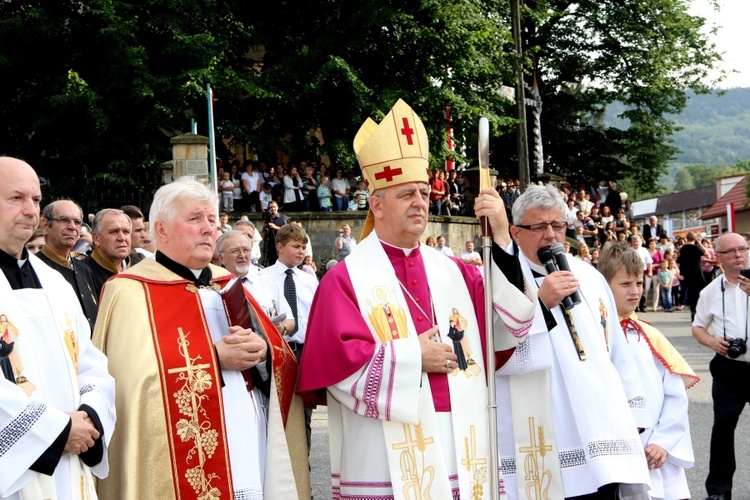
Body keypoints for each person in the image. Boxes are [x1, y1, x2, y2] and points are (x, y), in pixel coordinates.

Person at [297, 99, 536, 498]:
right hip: (386, 448)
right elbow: (337, 369)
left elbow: (510, 328)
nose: (420, 201)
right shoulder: (345, 279)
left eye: (424, 192)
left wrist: (502, 238)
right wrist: (412, 358)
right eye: (407, 193)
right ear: (376, 204)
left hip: (462, 438)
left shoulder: (457, 272)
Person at [92, 178, 309, 499]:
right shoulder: (128, 291)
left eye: (211, 219)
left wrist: (263, 352)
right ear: (161, 230)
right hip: (175, 459)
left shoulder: (227, 284)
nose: (209, 228)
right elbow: (127, 384)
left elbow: (277, 360)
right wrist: (213, 359)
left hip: (247, 447)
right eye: (195, 219)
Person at [493, 184, 650, 499]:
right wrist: (541, 304)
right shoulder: (503, 281)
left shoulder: (589, 277)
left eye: (558, 226)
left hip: (600, 425)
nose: (550, 235)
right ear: (516, 232)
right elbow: (498, 347)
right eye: (538, 227)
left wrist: (634, 415)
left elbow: (614, 348)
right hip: (548, 427)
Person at [0, 157, 115, 500]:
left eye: (35, 200)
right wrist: (55, 430)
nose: (30, 210)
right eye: (15, 198)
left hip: (71, 461)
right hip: (17, 472)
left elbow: (92, 364)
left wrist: (88, 419)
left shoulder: (56, 282)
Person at [598, 242, 698, 500]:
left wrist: (663, 441)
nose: (635, 292)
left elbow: (675, 395)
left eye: (639, 283)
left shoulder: (649, 335)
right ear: (602, 286)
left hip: (655, 451)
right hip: (613, 449)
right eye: (625, 284)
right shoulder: (595, 335)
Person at [691, 232, 750, 500]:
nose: (739, 254)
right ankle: (718, 491)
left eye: (743, 249)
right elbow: (698, 327)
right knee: (723, 429)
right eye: (732, 251)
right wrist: (713, 342)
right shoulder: (710, 291)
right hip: (728, 369)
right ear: (719, 258)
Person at [216, 229, 295, 336]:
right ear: (221, 258)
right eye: (235, 251)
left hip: (265, 350)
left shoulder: (267, 282)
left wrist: (282, 328)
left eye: (246, 249)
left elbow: (290, 319)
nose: (242, 255)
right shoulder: (213, 288)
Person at [37, 200, 100, 332]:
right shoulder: (34, 268)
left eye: (77, 222)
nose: (72, 227)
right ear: (46, 225)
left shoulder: (85, 269)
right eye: (64, 220)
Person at [80, 208, 132, 299]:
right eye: (114, 232)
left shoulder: (139, 267)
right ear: (96, 239)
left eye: (126, 232)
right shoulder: (81, 273)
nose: (122, 238)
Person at [677, 231, 706, 321]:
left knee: (691, 293)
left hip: (687, 273)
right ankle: (699, 312)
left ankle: (693, 311)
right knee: (699, 293)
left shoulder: (683, 249)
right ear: (695, 238)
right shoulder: (697, 248)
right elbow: (705, 253)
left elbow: (679, 260)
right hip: (697, 272)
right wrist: (699, 243)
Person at [260, 201, 289, 266]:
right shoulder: (267, 219)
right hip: (270, 246)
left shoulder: (283, 218)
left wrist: (275, 227)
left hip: (281, 244)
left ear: (277, 207)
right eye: (271, 207)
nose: (273, 208)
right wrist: (267, 230)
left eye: (274, 207)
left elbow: (288, 231)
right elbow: (263, 235)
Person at [630, 234, 653, 313]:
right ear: (631, 242)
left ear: (640, 242)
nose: (636, 243)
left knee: (642, 289)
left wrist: (650, 271)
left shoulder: (644, 250)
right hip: (631, 271)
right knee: (632, 289)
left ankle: (643, 306)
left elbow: (649, 262)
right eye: (634, 241)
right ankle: (634, 307)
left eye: (637, 241)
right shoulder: (629, 250)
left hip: (641, 271)